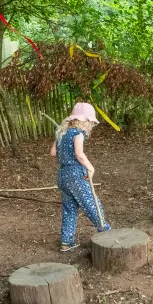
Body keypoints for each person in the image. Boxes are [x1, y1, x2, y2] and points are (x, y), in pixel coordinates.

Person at [49, 102, 111, 251]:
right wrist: (90, 167)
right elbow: (79, 154)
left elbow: (53, 152)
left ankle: (66, 241)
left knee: (69, 209)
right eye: (90, 122)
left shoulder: (62, 133)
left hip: (63, 176)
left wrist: (59, 137)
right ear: (84, 121)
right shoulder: (78, 133)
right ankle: (106, 231)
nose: (90, 125)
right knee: (91, 202)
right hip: (76, 175)